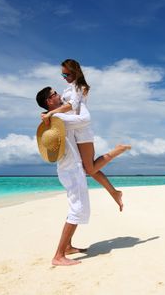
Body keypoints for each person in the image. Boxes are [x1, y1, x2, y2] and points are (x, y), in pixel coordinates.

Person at [39, 59, 131, 211]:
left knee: (89, 169)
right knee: (89, 168)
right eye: (63, 75)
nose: (65, 77)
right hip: (75, 130)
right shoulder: (69, 88)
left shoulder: (78, 86)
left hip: (82, 131)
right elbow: (61, 106)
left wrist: (51, 113)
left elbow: (72, 105)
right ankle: (114, 193)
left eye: (67, 74)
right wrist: (47, 113)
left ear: (75, 71)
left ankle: (117, 151)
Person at [36, 90, 92, 266]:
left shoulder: (55, 118)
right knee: (77, 209)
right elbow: (84, 119)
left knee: (75, 207)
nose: (59, 94)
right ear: (49, 100)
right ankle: (58, 255)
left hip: (67, 168)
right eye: (54, 93)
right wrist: (80, 101)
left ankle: (67, 247)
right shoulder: (60, 119)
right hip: (71, 169)